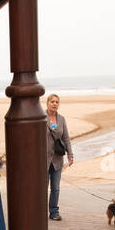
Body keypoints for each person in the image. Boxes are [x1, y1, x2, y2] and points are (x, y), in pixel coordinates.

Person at [45, 93, 73, 221]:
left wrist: (70, 154)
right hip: (43, 159)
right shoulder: (41, 117)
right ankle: (39, 211)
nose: (55, 104)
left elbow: (66, 138)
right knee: (42, 188)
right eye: (52, 102)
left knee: (55, 188)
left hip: (57, 159)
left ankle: (54, 211)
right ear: (47, 103)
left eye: (57, 102)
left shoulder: (61, 119)